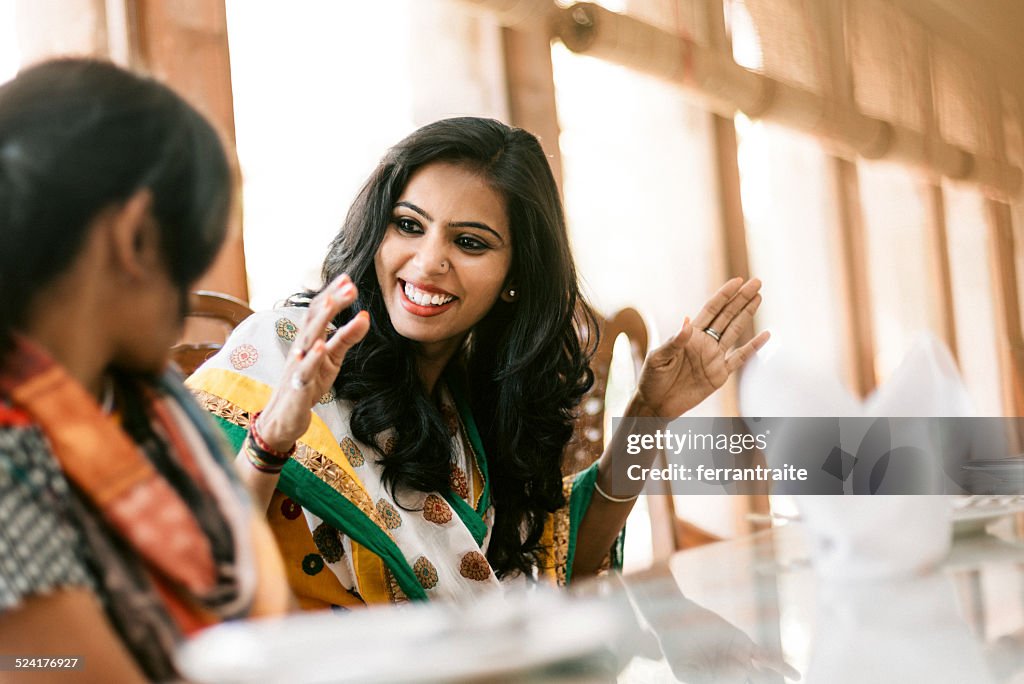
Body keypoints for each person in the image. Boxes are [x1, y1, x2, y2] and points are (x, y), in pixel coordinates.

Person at [188, 117, 768, 608]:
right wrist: (272, 441)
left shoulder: (468, 409)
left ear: (516, 277)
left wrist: (649, 413)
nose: (428, 261)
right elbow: (179, 555)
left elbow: (561, 564)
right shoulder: (284, 352)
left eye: (470, 243)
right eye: (409, 225)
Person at [0, 59, 289, 682]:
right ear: (135, 239)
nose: (186, 304)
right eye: (188, 269)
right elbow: (43, 665)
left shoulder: (142, 396)